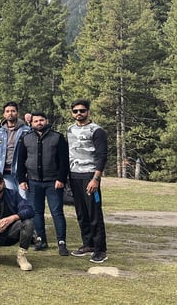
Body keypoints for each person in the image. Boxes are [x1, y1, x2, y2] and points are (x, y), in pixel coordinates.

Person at [17, 112, 70, 255]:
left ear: (47, 121)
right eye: (36, 121)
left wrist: (61, 179)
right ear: (31, 123)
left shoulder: (57, 137)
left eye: (41, 120)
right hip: (33, 182)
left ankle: (61, 242)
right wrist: (21, 179)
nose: (39, 123)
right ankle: (41, 239)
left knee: (57, 212)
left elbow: (64, 161)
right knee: (36, 212)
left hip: (53, 182)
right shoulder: (26, 138)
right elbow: (20, 160)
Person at [66, 99, 109, 263]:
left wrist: (96, 178)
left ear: (88, 112)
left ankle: (100, 249)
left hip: (90, 176)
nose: (79, 114)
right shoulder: (70, 130)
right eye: (75, 111)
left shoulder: (97, 131)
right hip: (74, 175)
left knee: (94, 214)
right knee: (81, 213)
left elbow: (101, 156)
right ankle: (88, 244)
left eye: (82, 111)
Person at [0, 171, 35, 271]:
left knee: (28, 223)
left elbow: (29, 210)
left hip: (10, 232)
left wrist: (13, 217)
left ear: (3, 183)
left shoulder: (13, 195)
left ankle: (22, 256)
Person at [0, 101, 31, 198]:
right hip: (5, 172)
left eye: (13, 111)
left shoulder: (26, 131)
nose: (10, 113)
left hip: (21, 171)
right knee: (11, 199)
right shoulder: (0, 132)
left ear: (17, 113)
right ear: (4, 114)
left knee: (24, 198)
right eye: (8, 111)